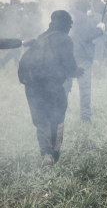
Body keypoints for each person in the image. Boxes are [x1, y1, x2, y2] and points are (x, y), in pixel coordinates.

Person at [20, 11, 83, 167]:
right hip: (53, 86)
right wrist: (78, 71)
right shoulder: (65, 39)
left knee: (41, 121)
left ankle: (45, 153)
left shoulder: (41, 37)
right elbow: (69, 65)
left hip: (33, 87)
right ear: (67, 24)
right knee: (57, 119)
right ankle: (54, 153)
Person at [66, 0, 105, 122]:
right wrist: (100, 29)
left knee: (65, 86)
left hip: (67, 54)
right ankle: (85, 118)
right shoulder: (83, 17)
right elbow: (87, 35)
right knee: (85, 88)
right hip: (82, 56)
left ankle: (59, 115)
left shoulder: (68, 15)